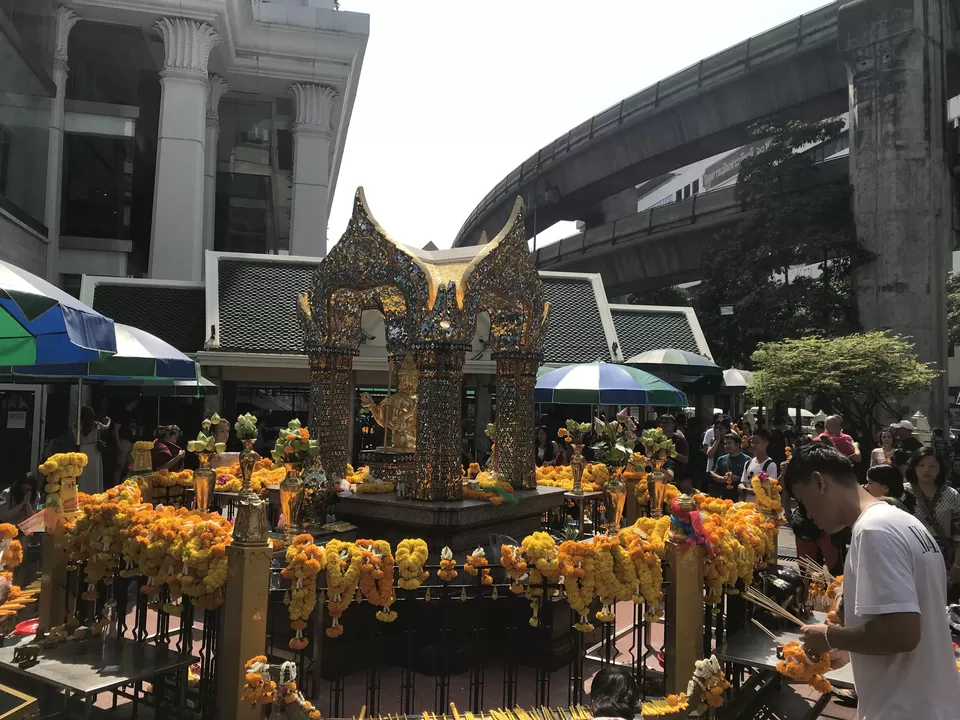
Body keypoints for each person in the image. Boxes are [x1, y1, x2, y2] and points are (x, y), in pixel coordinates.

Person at [784, 443, 960, 719]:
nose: (808, 515)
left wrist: (828, 637)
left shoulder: (873, 530)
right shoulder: (904, 522)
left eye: (803, 502)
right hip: (931, 701)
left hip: (903, 708)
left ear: (819, 482)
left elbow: (902, 633)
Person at [903, 448, 960, 578]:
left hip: (943, 558)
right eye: (921, 465)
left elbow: (958, 534)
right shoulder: (902, 493)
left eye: (932, 466)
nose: (926, 470)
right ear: (913, 467)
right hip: (909, 555)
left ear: (940, 468)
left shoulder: (951, 495)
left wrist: (957, 565)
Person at [77, 406, 110, 494]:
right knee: (95, 472)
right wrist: (109, 419)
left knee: (83, 473)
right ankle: (94, 491)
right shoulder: (96, 425)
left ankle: (82, 491)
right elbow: (107, 427)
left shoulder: (78, 425)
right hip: (94, 450)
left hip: (83, 449)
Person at [710, 433, 751, 501]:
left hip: (740, 499)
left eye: (729, 443)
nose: (726, 446)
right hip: (723, 498)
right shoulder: (721, 459)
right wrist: (720, 478)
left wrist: (737, 479)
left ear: (737, 444)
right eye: (725, 443)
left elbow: (751, 480)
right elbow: (713, 473)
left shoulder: (747, 460)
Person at [739, 428, 778, 498]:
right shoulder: (748, 463)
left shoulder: (770, 465)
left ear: (766, 443)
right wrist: (744, 489)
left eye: (756, 442)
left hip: (762, 507)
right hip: (748, 506)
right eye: (752, 442)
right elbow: (743, 483)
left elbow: (769, 490)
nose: (753, 445)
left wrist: (746, 490)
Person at [113, 398, 142, 482]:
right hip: (124, 441)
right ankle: (116, 484)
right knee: (119, 465)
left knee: (131, 465)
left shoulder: (134, 413)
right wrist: (118, 444)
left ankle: (128, 483)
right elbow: (116, 430)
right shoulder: (121, 413)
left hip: (133, 442)